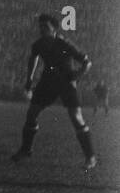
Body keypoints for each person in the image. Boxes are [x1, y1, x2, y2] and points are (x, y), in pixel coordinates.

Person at [12, 13, 96, 170]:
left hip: (66, 82)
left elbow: (86, 62)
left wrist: (77, 76)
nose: (42, 30)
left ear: (54, 30)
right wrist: (29, 80)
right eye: (41, 27)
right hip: (48, 81)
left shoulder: (64, 43)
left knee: (76, 118)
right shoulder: (38, 44)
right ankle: (25, 150)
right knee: (31, 114)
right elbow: (33, 58)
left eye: (46, 27)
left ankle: (90, 157)